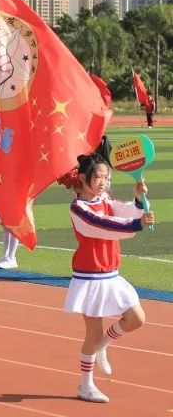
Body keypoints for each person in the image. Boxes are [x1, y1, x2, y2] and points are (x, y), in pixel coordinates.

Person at [62, 151, 154, 403]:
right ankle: (85, 385)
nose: (103, 181)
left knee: (136, 318)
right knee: (91, 333)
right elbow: (104, 225)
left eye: (106, 177)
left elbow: (122, 210)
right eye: (98, 176)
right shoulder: (79, 208)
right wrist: (136, 225)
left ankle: (103, 344)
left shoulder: (104, 198)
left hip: (111, 273)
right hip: (89, 277)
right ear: (82, 177)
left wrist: (138, 201)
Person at [0, 204, 20, 269]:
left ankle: (11, 258)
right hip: (4, 198)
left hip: (14, 200)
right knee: (5, 227)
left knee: (14, 227)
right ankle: (5, 256)